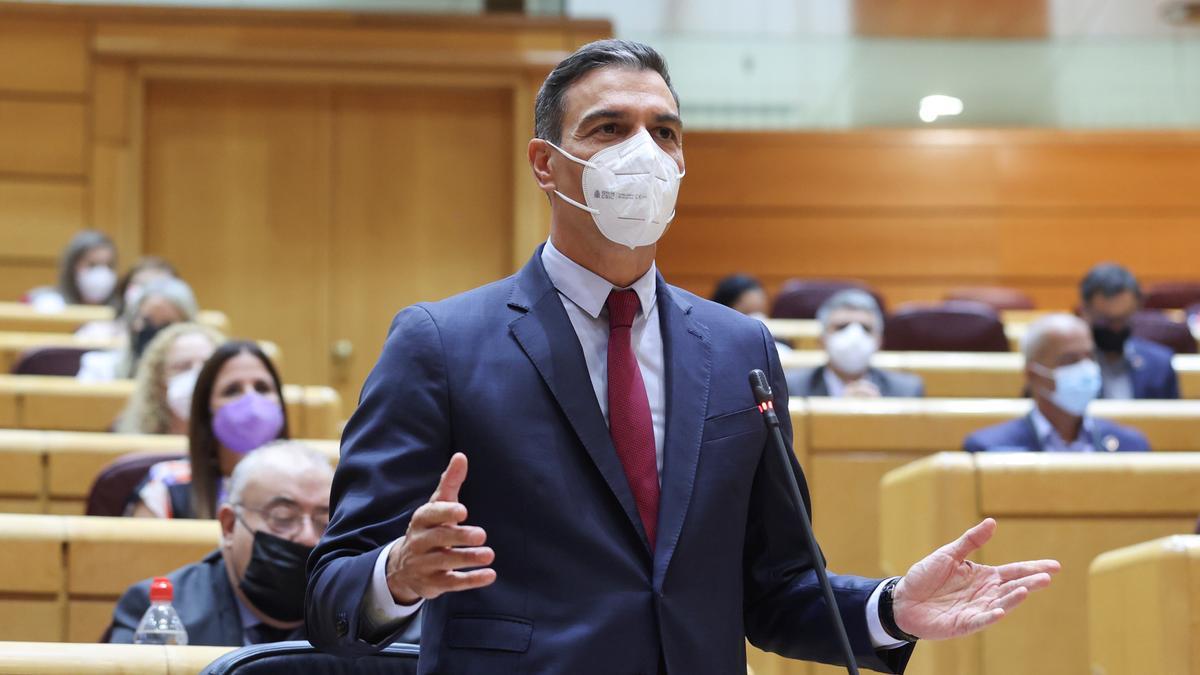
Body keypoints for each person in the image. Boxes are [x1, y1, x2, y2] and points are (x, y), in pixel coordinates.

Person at [306, 40, 1058, 673]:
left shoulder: (739, 347)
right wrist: (396, 576)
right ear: (545, 163)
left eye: (664, 132)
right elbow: (332, 588)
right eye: (609, 128)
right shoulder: (440, 342)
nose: (645, 152)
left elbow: (776, 585)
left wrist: (891, 608)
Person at [108, 442, 336, 646]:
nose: (308, 537)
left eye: (323, 521)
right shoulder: (160, 616)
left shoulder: (351, 615)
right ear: (229, 525)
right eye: (282, 517)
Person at [130, 340, 290, 519]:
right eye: (232, 390)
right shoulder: (165, 486)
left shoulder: (311, 483)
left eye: (262, 388)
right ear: (207, 408)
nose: (251, 400)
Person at [964, 314, 1150, 453]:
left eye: (1090, 357)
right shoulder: (988, 450)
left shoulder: (1131, 446)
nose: (1085, 369)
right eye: (1070, 360)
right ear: (1032, 374)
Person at [786, 289, 924, 398]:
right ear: (821, 341)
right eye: (842, 327)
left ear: (879, 342)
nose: (854, 337)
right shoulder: (792, 388)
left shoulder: (906, 391)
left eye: (866, 328)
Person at [1079, 263, 1179, 400]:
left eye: (1122, 320)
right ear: (1085, 311)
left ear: (1136, 309)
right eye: (1106, 320)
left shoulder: (1159, 365)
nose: (1115, 329)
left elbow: (1173, 420)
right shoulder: (1069, 367)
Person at [76, 277, 198, 383]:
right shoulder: (98, 369)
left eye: (167, 325)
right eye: (146, 321)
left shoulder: (195, 376)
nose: (154, 331)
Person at [115, 323, 225, 435]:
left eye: (208, 366)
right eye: (183, 367)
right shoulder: (127, 437)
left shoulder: (239, 443)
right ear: (159, 379)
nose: (198, 375)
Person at [76, 256, 179, 343]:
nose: (147, 294)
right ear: (125, 289)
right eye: (140, 284)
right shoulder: (94, 333)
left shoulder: (184, 339)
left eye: (157, 287)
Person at [26, 230, 118, 312]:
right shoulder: (46, 301)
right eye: (92, 265)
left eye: (109, 265)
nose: (102, 273)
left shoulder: (119, 309)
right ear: (72, 266)